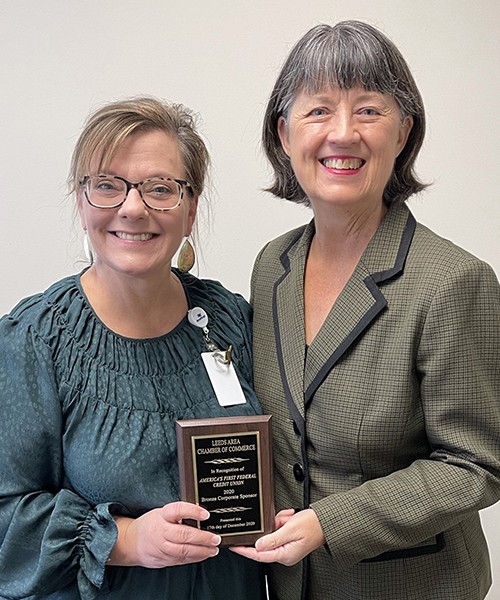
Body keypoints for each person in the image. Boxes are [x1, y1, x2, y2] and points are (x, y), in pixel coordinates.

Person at [231, 20, 500, 600]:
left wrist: (332, 522)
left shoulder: (454, 280)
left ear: (403, 132)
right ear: (284, 133)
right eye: (319, 110)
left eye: (369, 110)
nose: (343, 133)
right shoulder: (270, 266)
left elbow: (477, 463)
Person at [0, 97, 266, 599]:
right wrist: (124, 540)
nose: (132, 207)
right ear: (82, 203)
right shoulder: (34, 340)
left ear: (190, 210)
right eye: (107, 186)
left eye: (160, 189)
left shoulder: (233, 320)